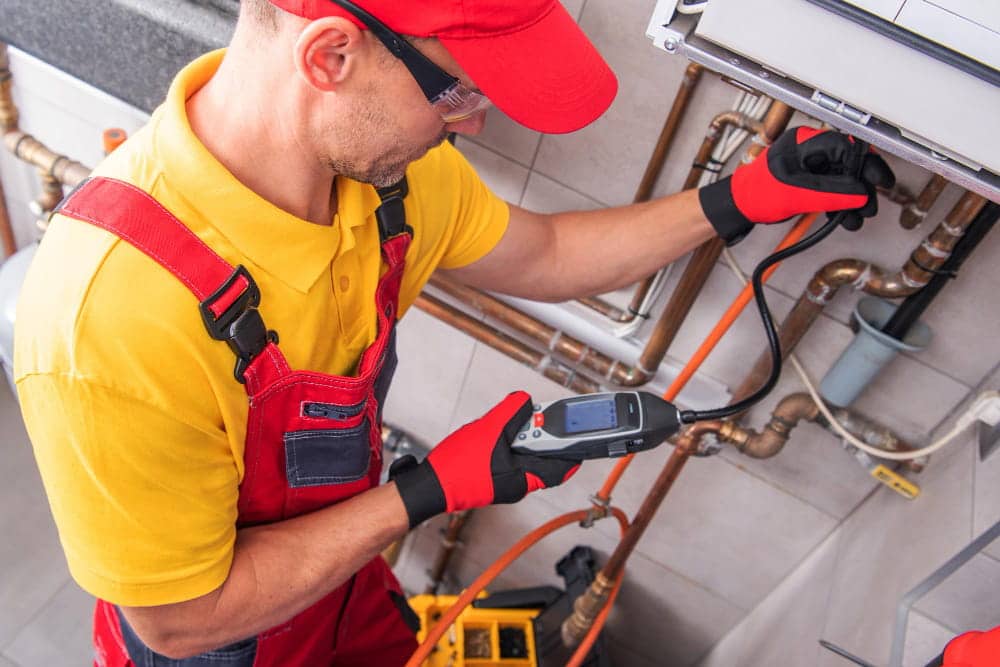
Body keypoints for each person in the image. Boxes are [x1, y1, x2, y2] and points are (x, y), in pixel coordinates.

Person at [13, 0, 893, 665]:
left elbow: (546, 250)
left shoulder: (383, 183)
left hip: (341, 591)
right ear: (330, 55)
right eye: (458, 89)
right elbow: (177, 617)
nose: (473, 121)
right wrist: (426, 493)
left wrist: (742, 197)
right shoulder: (110, 316)